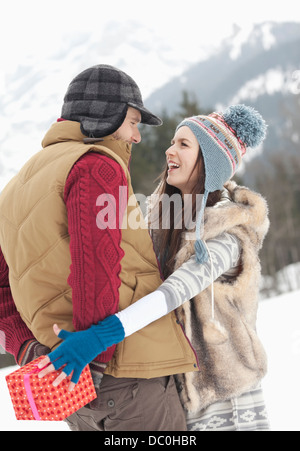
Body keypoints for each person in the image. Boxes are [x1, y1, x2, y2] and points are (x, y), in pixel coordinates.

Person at [38, 104, 270, 431]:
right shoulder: (159, 222)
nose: (169, 149)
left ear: (211, 163)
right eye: (173, 142)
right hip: (172, 387)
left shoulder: (231, 234)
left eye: (183, 144)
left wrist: (99, 337)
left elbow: (176, 291)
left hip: (223, 394)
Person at [0, 64, 199, 431]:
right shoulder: (96, 166)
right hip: (126, 378)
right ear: (105, 115)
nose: (137, 137)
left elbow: (2, 288)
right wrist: (97, 357)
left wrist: (25, 348)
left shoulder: (13, 189)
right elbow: (97, 268)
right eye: (133, 122)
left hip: (71, 387)